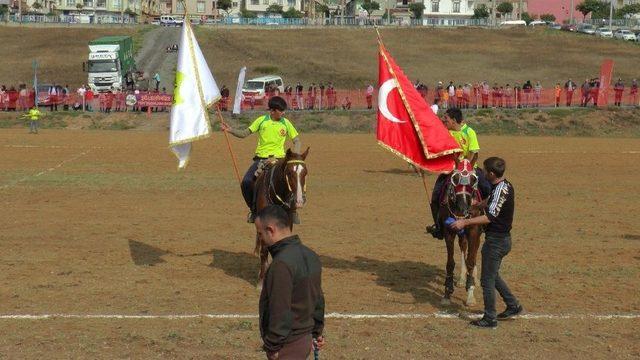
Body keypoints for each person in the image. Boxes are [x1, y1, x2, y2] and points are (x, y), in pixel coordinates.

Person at [450, 157, 522, 328]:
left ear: (490, 173)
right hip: (502, 240)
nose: (482, 175)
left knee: (487, 280)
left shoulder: (498, 190)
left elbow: (489, 217)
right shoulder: (505, 185)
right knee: (494, 275)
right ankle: (513, 305)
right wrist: (477, 204)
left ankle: (490, 317)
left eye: (484, 172)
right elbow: (490, 201)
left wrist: (464, 222)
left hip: (496, 242)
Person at [255, 205, 325, 360]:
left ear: (270, 230)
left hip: (287, 346)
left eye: (260, 234)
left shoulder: (281, 265)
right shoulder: (311, 255)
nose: (260, 239)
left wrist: (272, 347)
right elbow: (318, 298)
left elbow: (280, 308)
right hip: (305, 340)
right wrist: (317, 332)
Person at [221, 96, 302, 223]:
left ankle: (292, 211)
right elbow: (244, 134)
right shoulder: (261, 121)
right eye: (281, 111)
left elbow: (297, 141)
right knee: (246, 182)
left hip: (280, 160)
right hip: (261, 159)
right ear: (273, 111)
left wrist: (293, 158)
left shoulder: (286, 123)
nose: (283, 113)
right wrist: (230, 130)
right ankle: (253, 211)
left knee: (294, 180)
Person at [426, 108, 491, 240]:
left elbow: (473, 152)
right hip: (451, 170)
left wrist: (464, 167)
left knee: (488, 189)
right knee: (436, 196)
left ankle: (489, 224)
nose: (444, 120)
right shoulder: (446, 132)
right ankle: (439, 227)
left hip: (470, 169)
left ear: (454, 120)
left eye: (446, 118)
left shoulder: (469, 132)